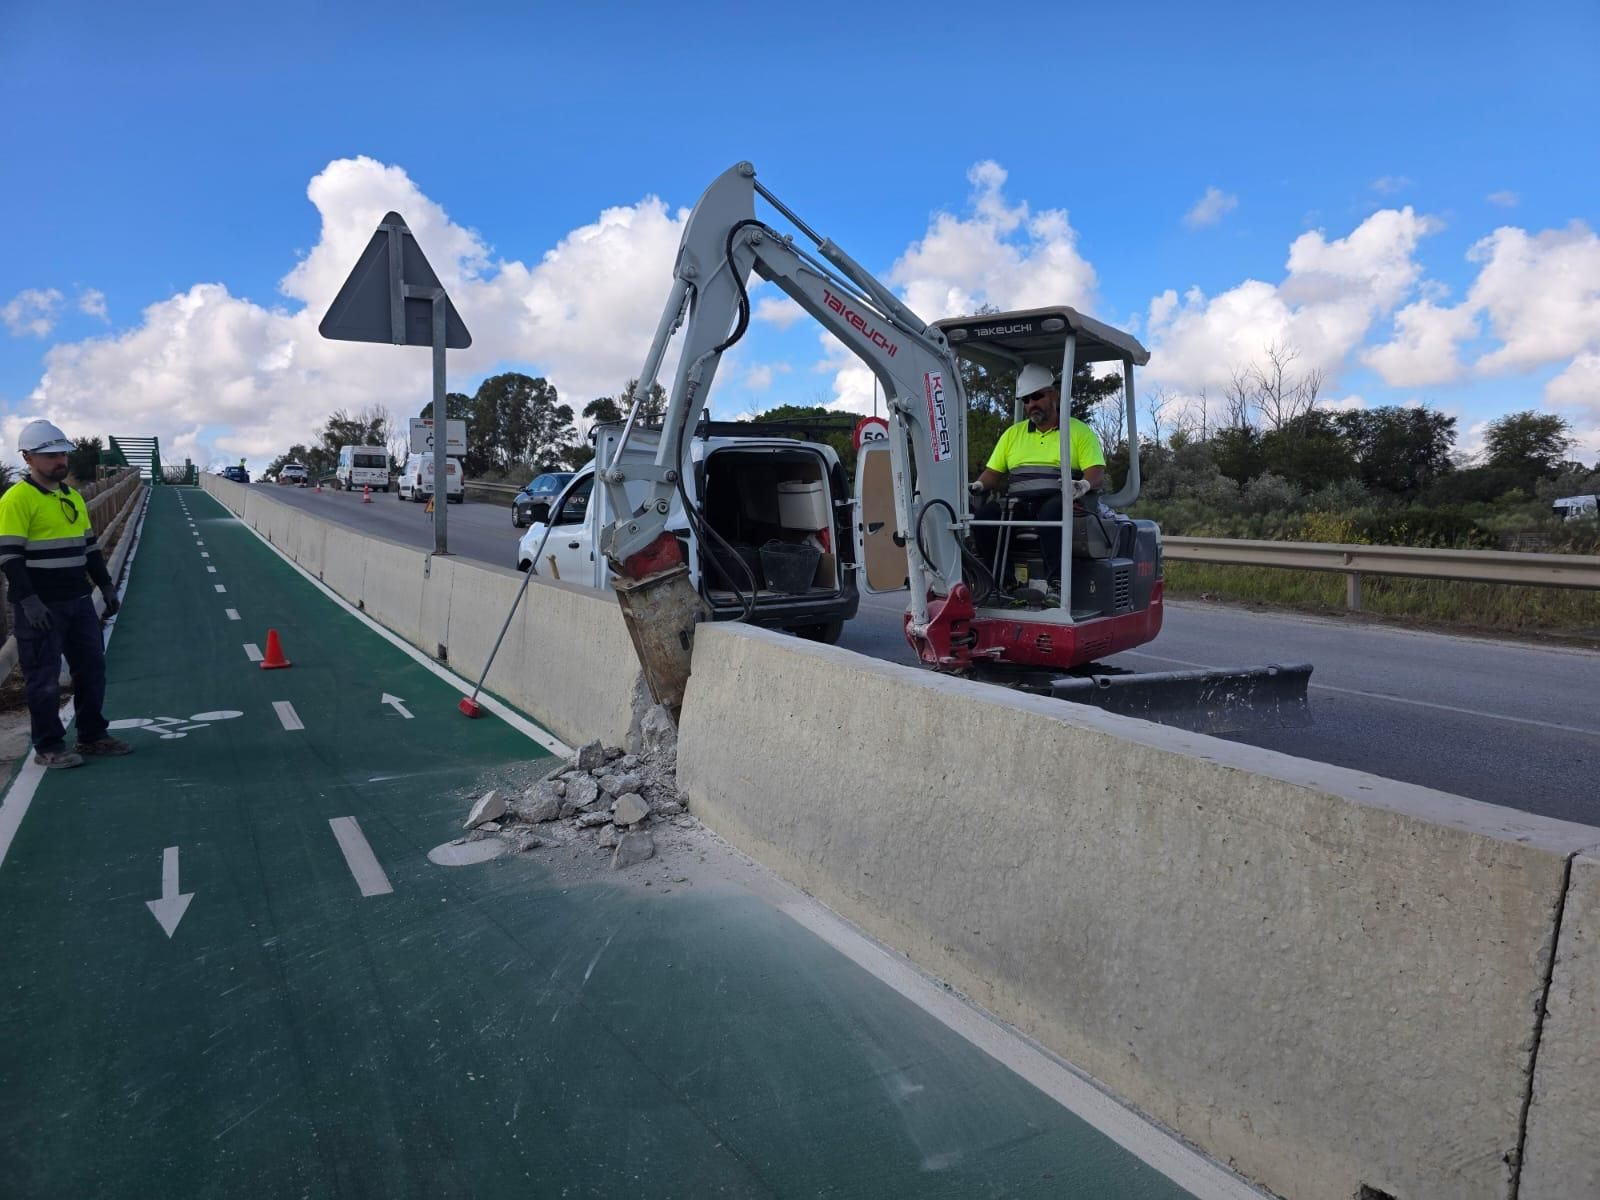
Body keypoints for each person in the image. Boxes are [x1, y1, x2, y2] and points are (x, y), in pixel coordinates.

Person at [0, 420, 132, 768]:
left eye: (62, 454)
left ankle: (92, 735)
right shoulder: (17, 500)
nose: (60, 461)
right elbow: (10, 557)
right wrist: (29, 601)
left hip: (78, 600)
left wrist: (104, 584)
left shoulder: (69, 496)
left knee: (92, 669)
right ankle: (49, 747)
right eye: (51, 455)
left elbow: (89, 548)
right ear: (28, 458)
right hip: (41, 605)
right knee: (43, 679)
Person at [969, 363, 1107, 598]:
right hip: (1019, 503)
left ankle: (1057, 584)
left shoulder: (1078, 431)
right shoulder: (1012, 434)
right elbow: (993, 473)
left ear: (1053, 395)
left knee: (1051, 513)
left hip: (1057, 499)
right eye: (1026, 400)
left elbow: (1096, 471)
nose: (1031, 404)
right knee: (984, 519)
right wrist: (978, 485)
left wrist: (1083, 485)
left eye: (1037, 397)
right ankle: (1004, 582)